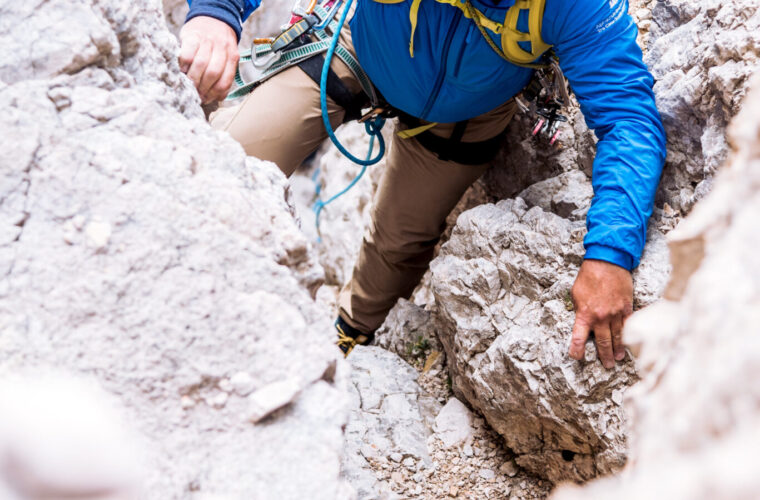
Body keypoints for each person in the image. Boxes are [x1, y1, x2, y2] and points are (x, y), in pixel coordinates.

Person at [177, 0, 666, 368]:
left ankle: (348, 336)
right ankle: (179, 263)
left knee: (400, 241)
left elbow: (629, 120)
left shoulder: (575, 6)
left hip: (465, 112)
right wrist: (216, 14)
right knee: (227, 155)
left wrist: (609, 254)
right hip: (357, 48)